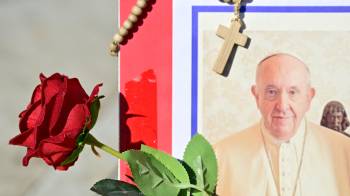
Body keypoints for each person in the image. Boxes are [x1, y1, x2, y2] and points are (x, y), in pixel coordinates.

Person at [214, 53, 350, 196]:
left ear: (309, 97)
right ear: (256, 95)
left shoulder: (345, 151)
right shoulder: (219, 156)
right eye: (272, 92)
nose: (283, 105)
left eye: (293, 92)